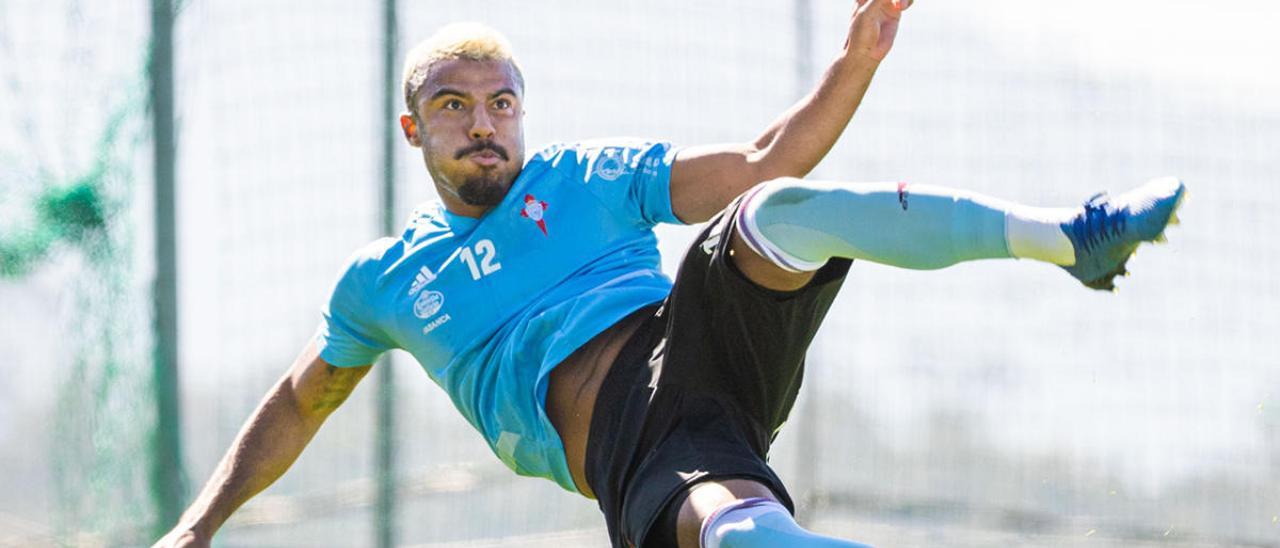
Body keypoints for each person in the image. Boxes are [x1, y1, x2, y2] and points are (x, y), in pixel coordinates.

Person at [155, 1, 1185, 546]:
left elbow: (761, 159)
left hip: (693, 342)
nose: (482, 121)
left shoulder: (586, 176)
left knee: (773, 211)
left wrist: (857, 59)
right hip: (635, 439)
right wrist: (199, 524)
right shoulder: (381, 279)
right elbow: (299, 402)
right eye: (455, 105)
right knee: (745, 532)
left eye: (500, 101)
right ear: (412, 126)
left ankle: (1069, 238)